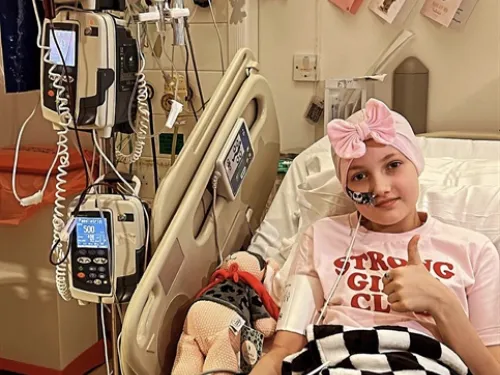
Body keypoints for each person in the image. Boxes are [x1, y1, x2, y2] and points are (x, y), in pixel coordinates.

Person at [250, 98, 500, 375]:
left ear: (415, 165)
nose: (380, 188)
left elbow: (491, 370)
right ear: (346, 188)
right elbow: (284, 350)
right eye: (359, 176)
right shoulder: (321, 237)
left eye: (393, 165)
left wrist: (439, 302)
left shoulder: (474, 250)